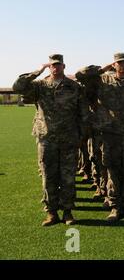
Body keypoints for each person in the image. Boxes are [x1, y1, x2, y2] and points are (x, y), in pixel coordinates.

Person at [12, 54, 89, 226]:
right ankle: (51, 212)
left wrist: (81, 135)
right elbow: (18, 86)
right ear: (49, 67)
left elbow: (83, 112)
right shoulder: (40, 86)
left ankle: (68, 212)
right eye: (52, 65)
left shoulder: (74, 87)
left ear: (64, 66)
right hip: (46, 138)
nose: (55, 68)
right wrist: (37, 71)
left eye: (58, 65)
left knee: (68, 176)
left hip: (69, 138)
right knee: (48, 176)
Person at [75, 53, 124, 222]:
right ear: (114, 65)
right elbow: (80, 75)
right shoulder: (102, 82)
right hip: (110, 135)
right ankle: (115, 207)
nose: (121, 66)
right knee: (112, 171)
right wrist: (103, 69)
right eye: (118, 63)